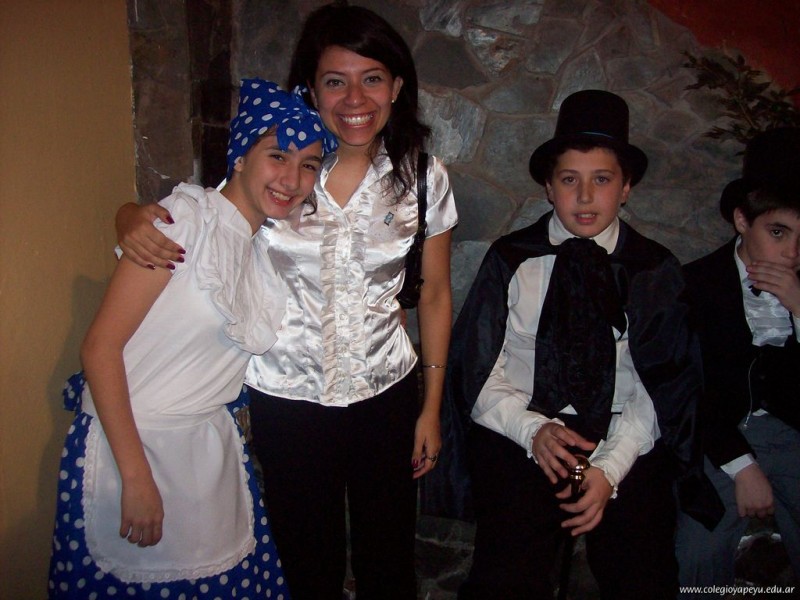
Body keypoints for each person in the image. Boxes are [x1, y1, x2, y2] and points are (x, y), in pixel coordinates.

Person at [113, 4, 458, 599]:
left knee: (389, 560)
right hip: (288, 399)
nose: (355, 98)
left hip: (387, 393)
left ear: (397, 87)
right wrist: (126, 216)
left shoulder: (423, 178)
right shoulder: (279, 169)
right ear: (311, 90)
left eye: (373, 78)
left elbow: (435, 293)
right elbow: (199, 214)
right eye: (335, 80)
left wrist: (430, 407)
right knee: (305, 561)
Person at [48, 79, 337, 599]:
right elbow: (100, 348)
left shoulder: (258, 252)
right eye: (277, 156)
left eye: (309, 165)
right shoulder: (184, 221)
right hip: (133, 449)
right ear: (241, 157)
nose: (292, 179)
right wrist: (136, 477)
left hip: (208, 454)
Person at [442, 90, 712, 600]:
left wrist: (610, 468)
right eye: (570, 180)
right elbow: (477, 367)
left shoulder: (653, 270)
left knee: (643, 571)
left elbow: (662, 384)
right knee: (506, 574)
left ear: (626, 188)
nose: (585, 197)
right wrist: (532, 431)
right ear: (549, 187)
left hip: (624, 432)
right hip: (525, 426)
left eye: (602, 180)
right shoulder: (511, 259)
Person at [676, 127, 800, 595]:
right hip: (719, 438)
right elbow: (687, 390)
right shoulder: (694, 285)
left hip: (794, 435)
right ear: (742, 220)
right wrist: (742, 466)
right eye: (778, 232)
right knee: (697, 553)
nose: (793, 253)